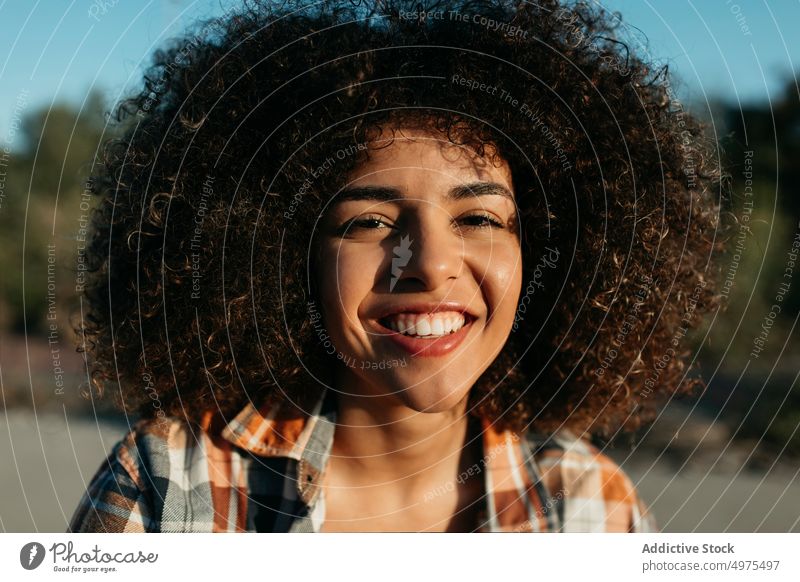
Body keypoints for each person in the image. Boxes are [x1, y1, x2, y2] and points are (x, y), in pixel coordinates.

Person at [68, 0, 726, 533]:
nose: (431, 265)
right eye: (370, 222)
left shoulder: (591, 508)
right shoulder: (166, 487)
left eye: (479, 219)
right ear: (281, 254)